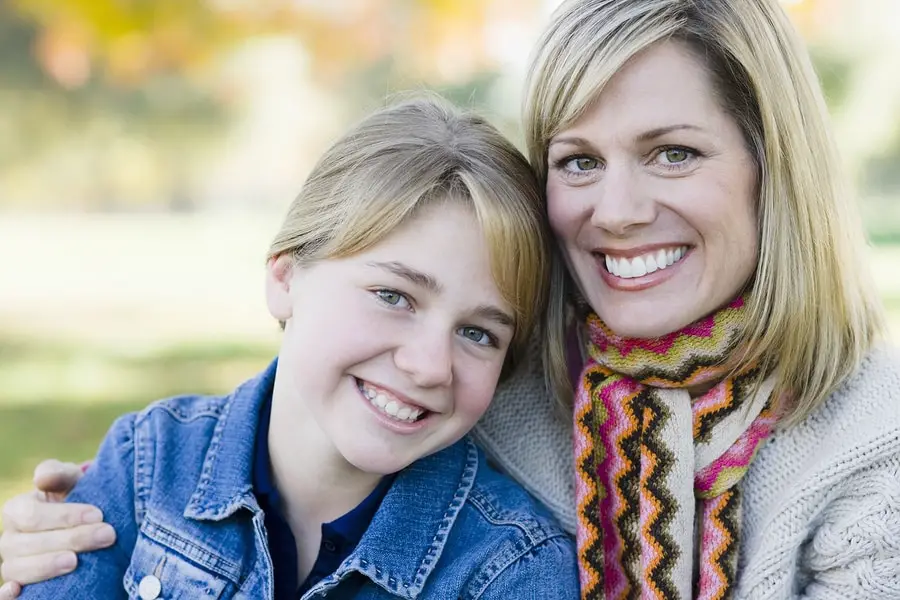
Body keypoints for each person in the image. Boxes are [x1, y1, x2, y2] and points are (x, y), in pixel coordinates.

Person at [3, 0, 900, 598]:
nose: (618, 213)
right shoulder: (489, 391)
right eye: (579, 161)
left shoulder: (870, 450)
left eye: (674, 152)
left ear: (771, 166)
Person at [0, 95, 580, 599]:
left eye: (478, 333)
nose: (429, 366)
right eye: (393, 295)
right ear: (285, 279)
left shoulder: (510, 570)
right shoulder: (148, 465)